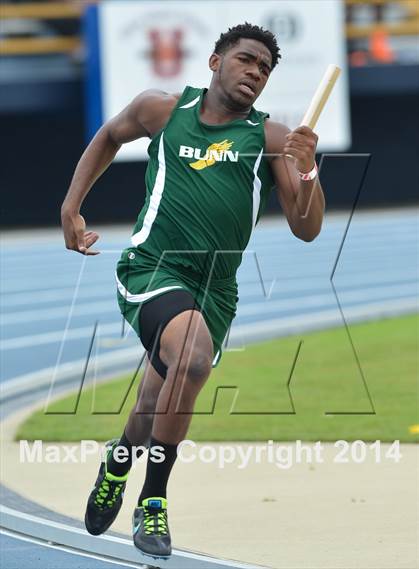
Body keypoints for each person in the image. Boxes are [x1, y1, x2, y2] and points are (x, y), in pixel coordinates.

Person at [61, 22, 325, 559]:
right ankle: (152, 501)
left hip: (216, 289)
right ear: (214, 62)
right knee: (194, 356)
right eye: (246, 60)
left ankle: (119, 460)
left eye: (265, 69)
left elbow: (307, 228)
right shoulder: (162, 110)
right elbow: (110, 136)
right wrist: (71, 205)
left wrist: (308, 169)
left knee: (157, 399)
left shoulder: (272, 138)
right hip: (153, 268)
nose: (255, 72)